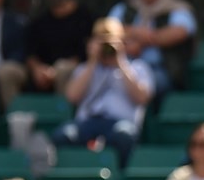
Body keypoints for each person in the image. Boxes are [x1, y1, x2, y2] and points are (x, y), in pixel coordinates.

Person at [53, 17, 153, 168]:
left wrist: (119, 61)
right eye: (102, 42)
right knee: (63, 135)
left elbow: (142, 98)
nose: (107, 47)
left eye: (111, 41)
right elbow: (72, 97)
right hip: (87, 122)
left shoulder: (137, 68)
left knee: (124, 135)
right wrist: (93, 60)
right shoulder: (84, 69)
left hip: (120, 122)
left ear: (122, 42)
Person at [106, 0, 196, 93]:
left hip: (159, 70)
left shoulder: (177, 8)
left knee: (140, 85)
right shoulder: (125, 7)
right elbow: (107, 31)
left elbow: (180, 32)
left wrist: (142, 41)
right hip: (120, 68)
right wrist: (133, 36)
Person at [23, 0, 95, 96]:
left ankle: (63, 112)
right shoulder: (37, 19)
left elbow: (88, 52)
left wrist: (56, 71)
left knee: (63, 68)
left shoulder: (87, 17)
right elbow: (30, 51)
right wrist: (37, 68)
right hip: (42, 76)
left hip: (76, 74)